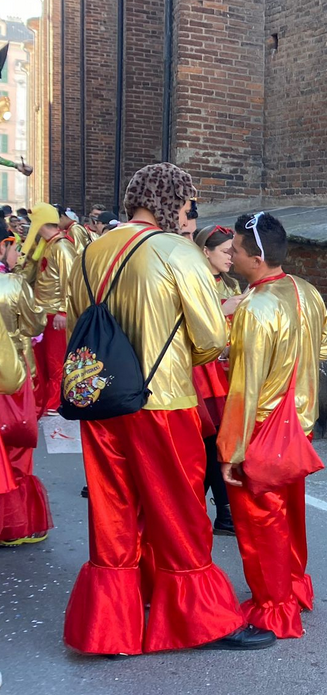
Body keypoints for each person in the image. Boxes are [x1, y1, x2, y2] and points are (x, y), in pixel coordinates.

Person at [62, 162, 275, 655]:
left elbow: (78, 321)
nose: (188, 213)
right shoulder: (177, 251)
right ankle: (200, 620)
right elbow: (210, 338)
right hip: (164, 402)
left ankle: (110, 630)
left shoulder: (93, 249)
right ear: (172, 202)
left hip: (102, 398)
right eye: (186, 203)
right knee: (178, 509)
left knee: (114, 511)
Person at [218, 211, 327, 639]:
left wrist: (231, 451)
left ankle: (273, 606)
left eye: (236, 247)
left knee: (262, 523)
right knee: (290, 515)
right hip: (297, 425)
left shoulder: (254, 305)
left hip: (263, 427)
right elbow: (322, 351)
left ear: (257, 258)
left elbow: (244, 390)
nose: (230, 252)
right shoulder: (307, 291)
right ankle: (294, 588)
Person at [192, 225, 244, 535]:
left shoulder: (230, 283)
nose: (232, 257)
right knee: (205, 443)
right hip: (200, 370)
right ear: (205, 252)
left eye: (234, 251)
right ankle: (208, 510)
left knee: (217, 444)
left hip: (222, 371)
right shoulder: (195, 283)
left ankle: (221, 512)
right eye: (226, 251)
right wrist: (224, 309)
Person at [0, 227, 50, 546]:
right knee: (17, 446)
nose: (18, 253)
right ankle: (14, 524)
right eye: (13, 246)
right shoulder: (13, 284)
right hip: (13, 369)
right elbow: (35, 323)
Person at [27, 203, 76, 416]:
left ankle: (55, 401)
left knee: (55, 361)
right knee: (42, 361)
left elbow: (71, 280)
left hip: (55, 313)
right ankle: (44, 399)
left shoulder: (62, 247)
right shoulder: (48, 244)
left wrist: (64, 311)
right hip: (42, 312)